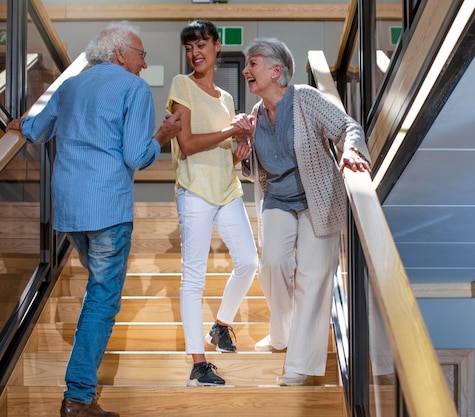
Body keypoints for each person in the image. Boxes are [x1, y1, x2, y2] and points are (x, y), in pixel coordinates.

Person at [8, 21, 182, 417]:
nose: (143, 63)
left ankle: (80, 390)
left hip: (69, 211)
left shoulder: (70, 86)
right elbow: (136, 157)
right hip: (106, 208)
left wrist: (19, 124)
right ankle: (78, 396)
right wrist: (164, 135)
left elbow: (36, 129)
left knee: (97, 286)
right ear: (120, 54)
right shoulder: (134, 89)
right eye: (141, 54)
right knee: (103, 297)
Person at [236, 37, 371, 386]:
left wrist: (352, 150)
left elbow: (347, 127)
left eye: (253, 63)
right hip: (278, 199)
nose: (246, 70)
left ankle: (300, 365)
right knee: (273, 264)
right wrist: (243, 155)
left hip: (318, 199)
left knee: (313, 275)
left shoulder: (306, 99)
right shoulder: (254, 116)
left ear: (276, 70)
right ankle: (281, 334)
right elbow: (258, 169)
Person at [166, 20, 258, 387]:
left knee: (249, 262)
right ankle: (198, 365)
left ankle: (220, 326)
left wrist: (239, 151)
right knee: (194, 278)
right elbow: (186, 144)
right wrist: (232, 131)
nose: (195, 52)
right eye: (189, 46)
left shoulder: (226, 98)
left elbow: (220, 152)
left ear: (217, 46)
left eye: (201, 44)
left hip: (226, 187)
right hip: (195, 191)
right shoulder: (180, 84)